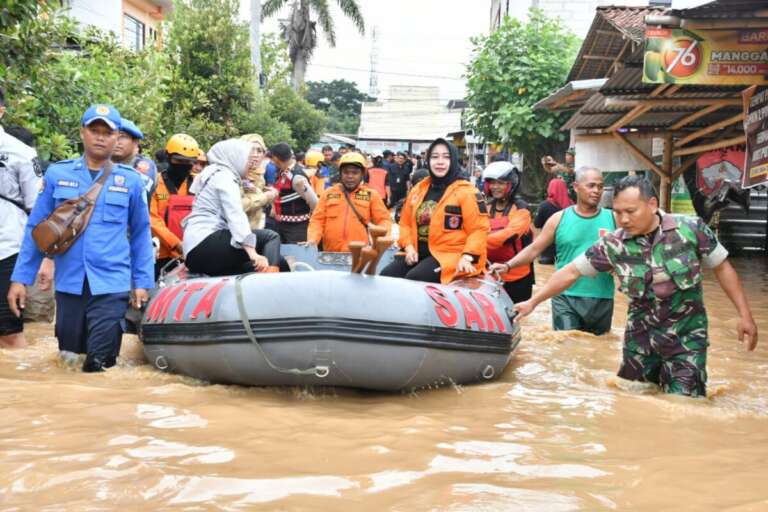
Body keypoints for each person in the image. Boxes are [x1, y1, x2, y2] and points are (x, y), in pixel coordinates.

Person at [515, 176, 759, 398]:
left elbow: (723, 268)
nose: (623, 219)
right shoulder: (614, 244)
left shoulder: (691, 230)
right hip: (639, 345)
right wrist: (533, 302)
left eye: (630, 211)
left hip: (686, 342)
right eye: (618, 212)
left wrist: (745, 316)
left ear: (652, 204)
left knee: (684, 406)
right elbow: (570, 272)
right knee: (632, 404)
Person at [8, 104, 154, 371]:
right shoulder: (57, 174)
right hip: (69, 283)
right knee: (69, 360)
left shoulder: (131, 181)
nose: (100, 137)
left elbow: (142, 234)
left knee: (100, 364)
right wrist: (20, 279)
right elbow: (36, 229)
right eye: (94, 130)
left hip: (111, 284)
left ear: (117, 137)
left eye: (107, 132)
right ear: (82, 133)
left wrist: (142, 281)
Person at [491, 167, 615, 335]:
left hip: (603, 296)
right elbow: (535, 249)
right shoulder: (559, 218)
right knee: (566, 345)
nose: (596, 191)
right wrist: (507, 266)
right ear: (576, 187)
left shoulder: (614, 219)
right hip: (565, 296)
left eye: (600, 186)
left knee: (597, 349)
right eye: (591, 186)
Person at [381, 138, 489, 284]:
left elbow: (479, 229)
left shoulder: (467, 191)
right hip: (418, 252)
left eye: (446, 157)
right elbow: (405, 223)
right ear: (428, 160)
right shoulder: (418, 189)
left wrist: (468, 256)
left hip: (451, 255)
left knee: (415, 278)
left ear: (454, 160)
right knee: (387, 275)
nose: (440, 162)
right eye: (435, 157)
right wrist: (409, 247)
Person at [183, 139, 282, 276]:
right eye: (247, 159)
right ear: (236, 158)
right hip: (205, 243)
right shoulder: (225, 177)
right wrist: (252, 253)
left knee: (278, 261)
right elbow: (235, 214)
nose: (250, 163)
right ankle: (271, 284)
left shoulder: (212, 173)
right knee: (270, 237)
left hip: (194, 250)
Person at [0, 87, 41, 349]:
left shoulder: (21, 153)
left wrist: (44, 261)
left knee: (9, 332)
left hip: (6, 251)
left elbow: (37, 211)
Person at [306, 152, 391, 252]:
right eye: (346, 172)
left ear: (362, 174)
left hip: (359, 254)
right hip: (330, 253)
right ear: (340, 173)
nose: (350, 176)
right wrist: (312, 239)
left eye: (355, 173)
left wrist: (384, 237)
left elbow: (384, 220)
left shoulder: (371, 195)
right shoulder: (328, 194)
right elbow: (317, 220)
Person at [482, 161, 535, 304]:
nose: (495, 187)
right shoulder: (484, 207)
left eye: (500, 183)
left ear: (511, 184)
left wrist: (477, 240)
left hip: (517, 277)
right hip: (488, 274)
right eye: (492, 183)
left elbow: (508, 235)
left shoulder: (522, 209)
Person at [150, 133, 200, 279]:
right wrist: (177, 244)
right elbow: (153, 220)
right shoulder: (154, 182)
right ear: (168, 157)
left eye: (189, 162)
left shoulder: (199, 183)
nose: (184, 166)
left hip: (194, 251)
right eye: (179, 160)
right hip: (161, 254)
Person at [271, 142, 318, 243]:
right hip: (284, 225)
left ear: (276, 159)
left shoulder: (296, 177)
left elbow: (314, 203)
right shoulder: (284, 172)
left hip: (297, 228)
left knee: (296, 257)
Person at [111, 119, 157, 203]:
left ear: (135, 142)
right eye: (113, 135)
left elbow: (141, 193)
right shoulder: (102, 163)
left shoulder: (144, 164)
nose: (117, 142)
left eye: (123, 136)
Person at [240, 133, 278, 230]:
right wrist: (266, 197)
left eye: (259, 151)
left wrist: (270, 194)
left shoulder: (259, 174)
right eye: (251, 149)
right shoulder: (236, 174)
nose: (255, 155)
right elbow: (237, 206)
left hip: (257, 226)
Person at [534, 179, 573, 265]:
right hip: (566, 254)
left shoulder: (544, 205)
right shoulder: (572, 206)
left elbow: (536, 224)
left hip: (548, 254)